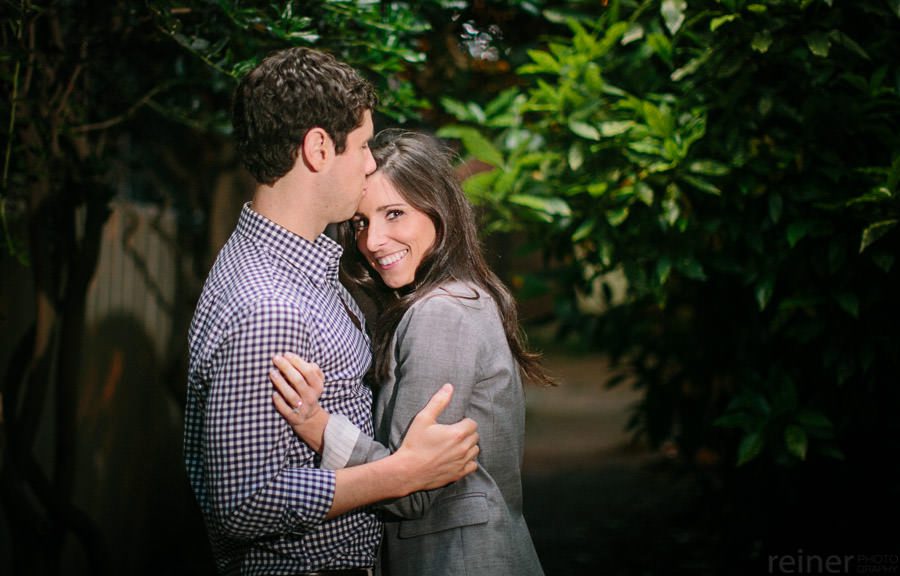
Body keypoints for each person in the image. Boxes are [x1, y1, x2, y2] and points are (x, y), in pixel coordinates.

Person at [184, 48, 481, 576]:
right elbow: (243, 502)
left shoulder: (296, 267)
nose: (370, 163)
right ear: (319, 147)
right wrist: (400, 474)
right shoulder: (268, 306)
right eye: (364, 145)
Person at [271, 129, 554, 575]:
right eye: (362, 222)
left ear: (438, 212)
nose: (373, 240)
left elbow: (412, 488)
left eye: (395, 214)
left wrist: (317, 425)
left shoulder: (441, 313)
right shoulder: (460, 298)